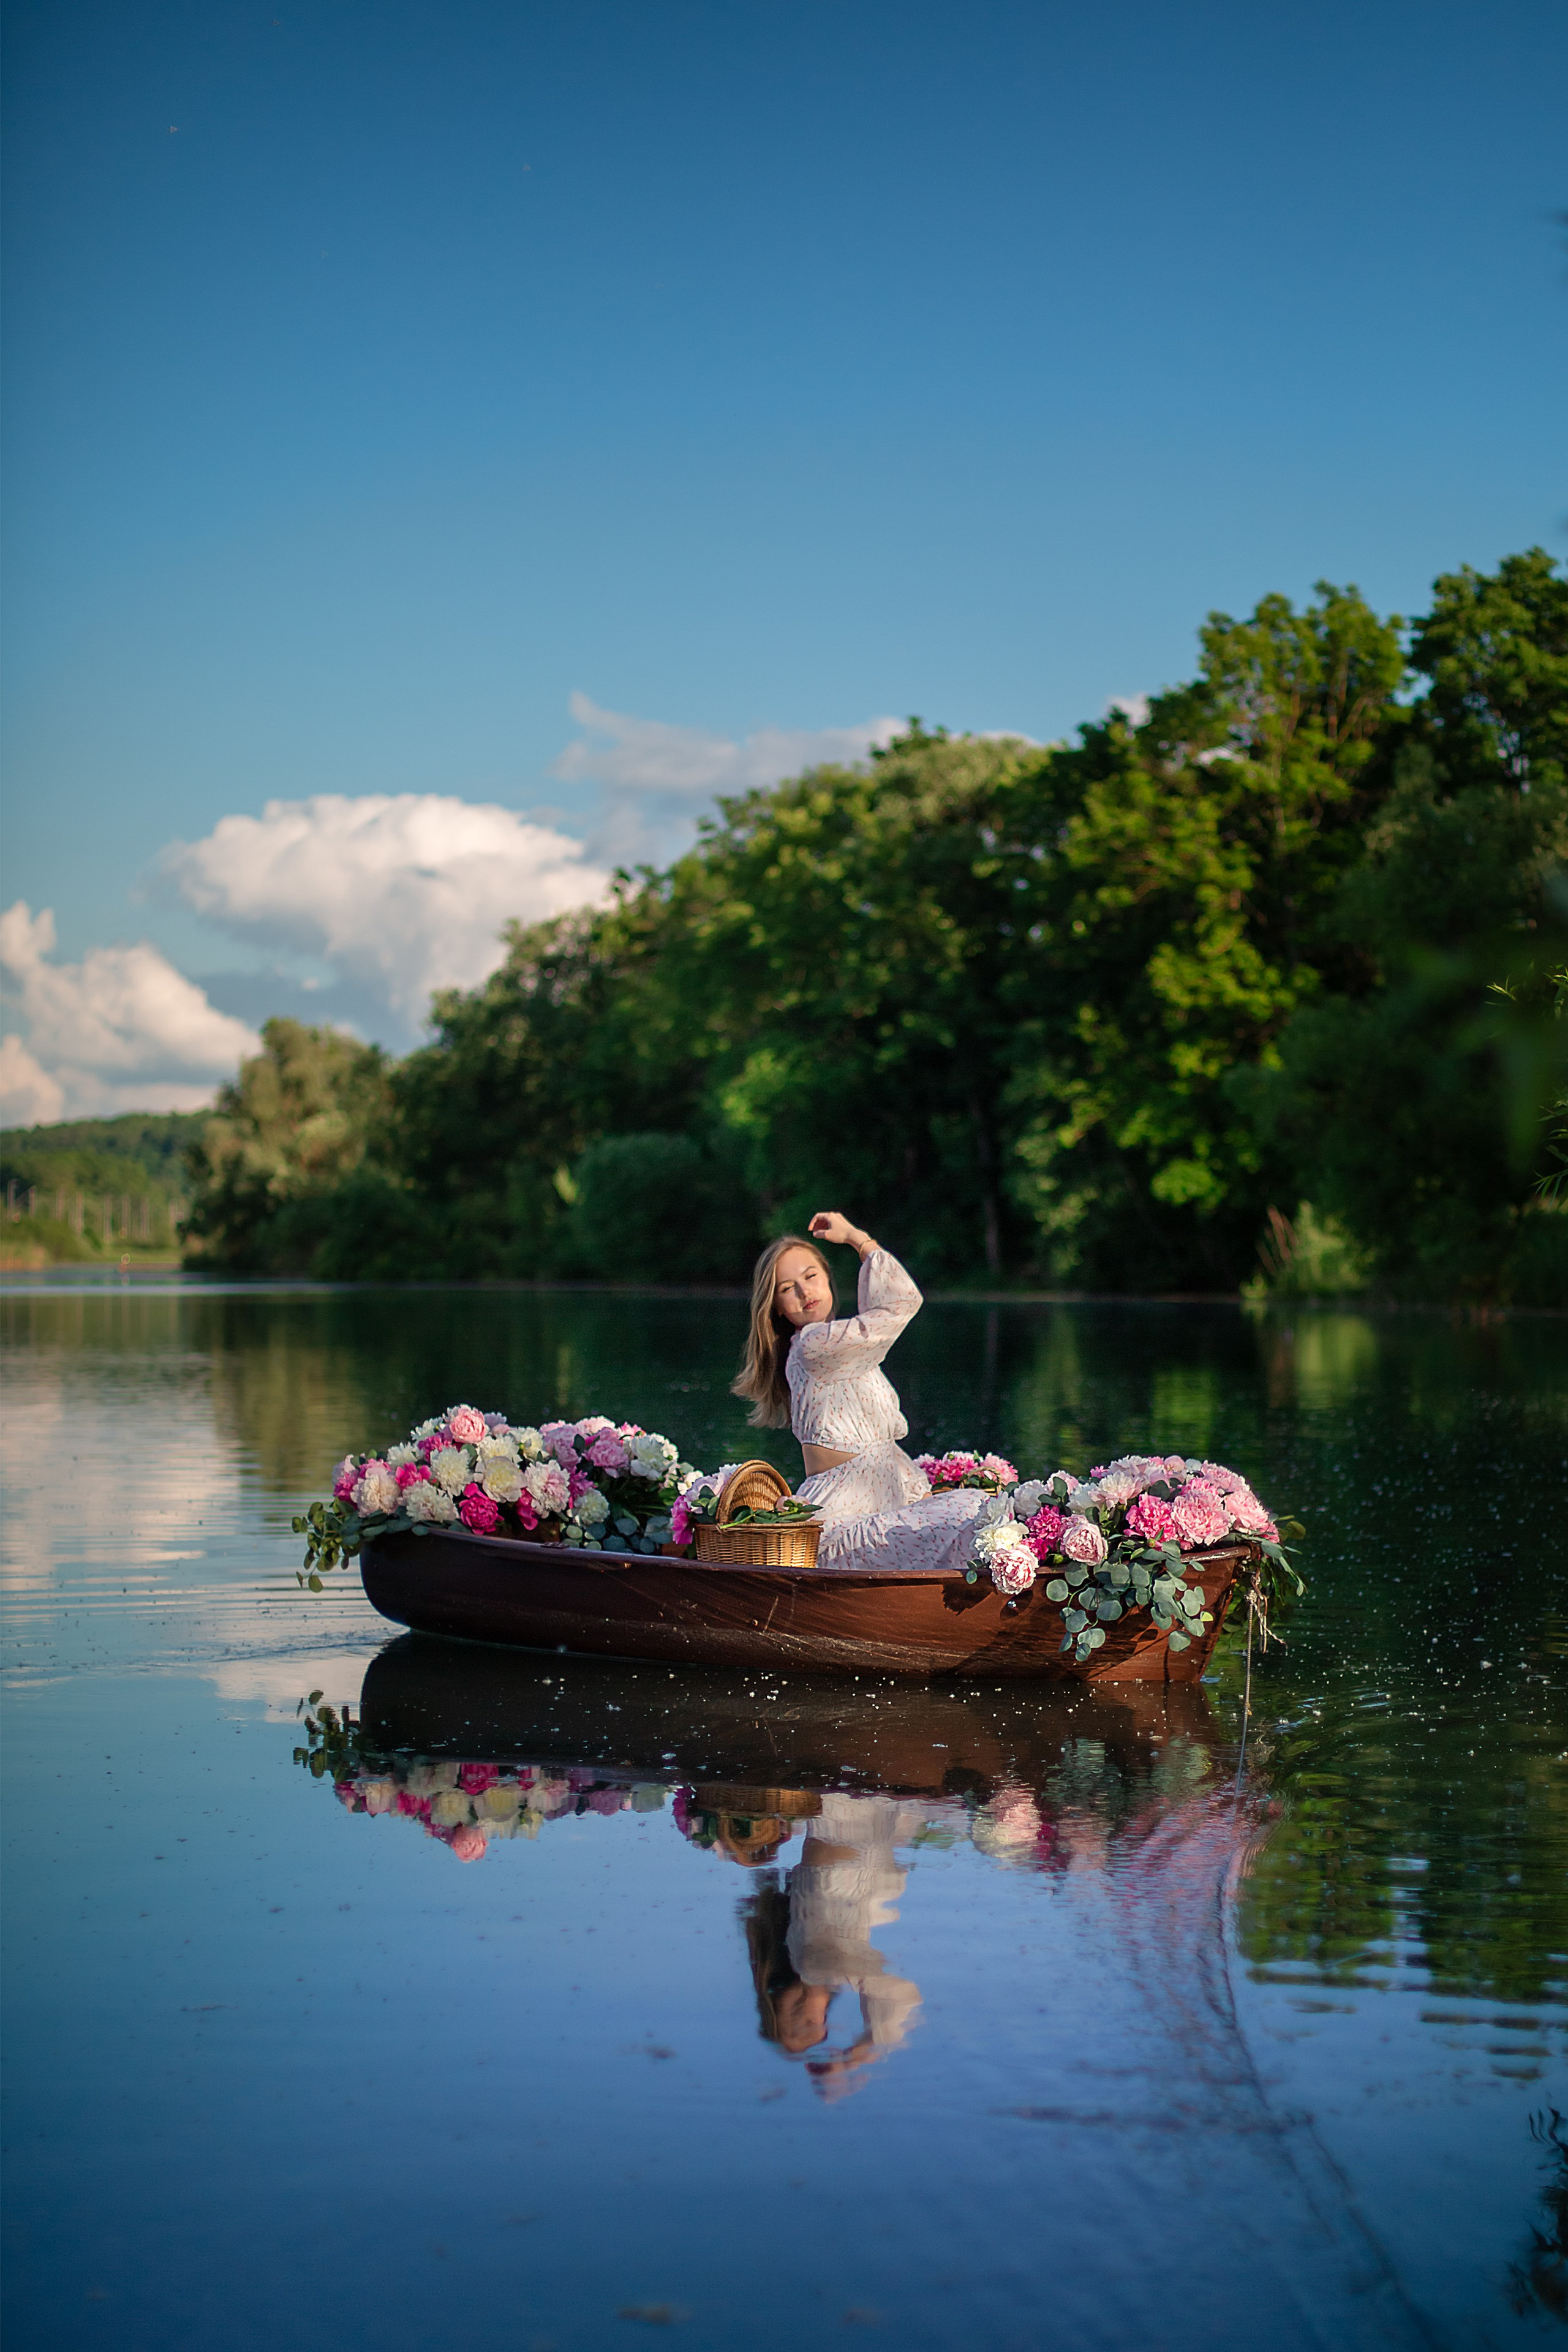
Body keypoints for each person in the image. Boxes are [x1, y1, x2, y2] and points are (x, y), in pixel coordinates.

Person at [730, 1211, 993, 1573]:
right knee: (978, 1519)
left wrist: (917, 1492)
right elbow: (900, 1305)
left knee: (980, 1508)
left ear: (828, 1280)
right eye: (788, 1288)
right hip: (843, 1524)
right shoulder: (813, 1344)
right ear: (775, 1306)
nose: (805, 1292)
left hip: (882, 1507)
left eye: (811, 1277)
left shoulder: (843, 1348)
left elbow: (876, 1320)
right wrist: (858, 1238)